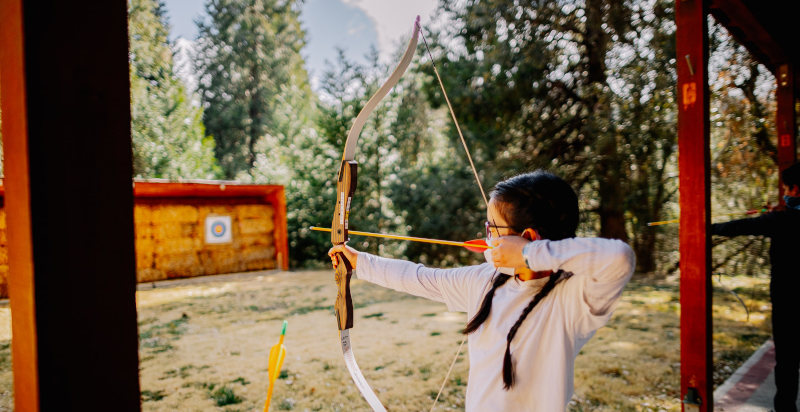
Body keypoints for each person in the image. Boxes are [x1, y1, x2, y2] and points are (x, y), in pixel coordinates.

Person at [328, 170, 635, 411]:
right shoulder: (486, 280)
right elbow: (420, 278)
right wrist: (360, 262)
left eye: (493, 229)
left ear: (527, 237)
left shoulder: (572, 300)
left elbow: (619, 258)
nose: (486, 237)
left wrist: (530, 254)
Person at [711, 163, 800, 412]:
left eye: (787, 189)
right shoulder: (780, 219)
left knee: (788, 361)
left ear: (797, 190)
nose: (786, 194)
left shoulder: (780, 220)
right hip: (786, 298)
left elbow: (740, 227)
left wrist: (707, 228)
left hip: (787, 300)